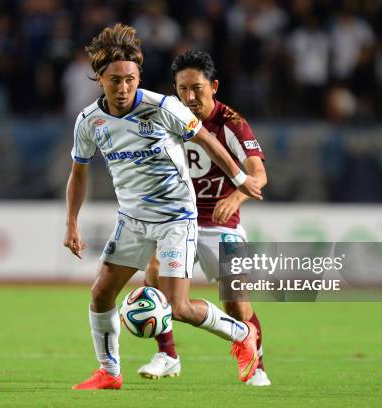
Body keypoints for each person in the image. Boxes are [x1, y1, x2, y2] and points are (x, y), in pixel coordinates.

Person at [65, 24, 264, 390]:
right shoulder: (89, 121)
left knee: (179, 307)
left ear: (138, 76)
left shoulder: (163, 107)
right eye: (115, 81)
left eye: (130, 79)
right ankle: (109, 372)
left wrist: (238, 181)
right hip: (132, 221)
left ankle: (242, 334)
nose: (123, 88)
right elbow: (78, 173)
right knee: (100, 293)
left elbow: (206, 140)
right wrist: (71, 224)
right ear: (100, 81)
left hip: (176, 219)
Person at [137, 50, 271, 386]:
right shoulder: (168, 118)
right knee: (154, 274)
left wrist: (236, 195)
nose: (190, 96)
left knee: (237, 304)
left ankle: (257, 366)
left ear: (213, 86)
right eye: (182, 89)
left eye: (197, 87)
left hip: (222, 224)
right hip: (180, 222)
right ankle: (168, 355)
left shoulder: (231, 123)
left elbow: (259, 174)